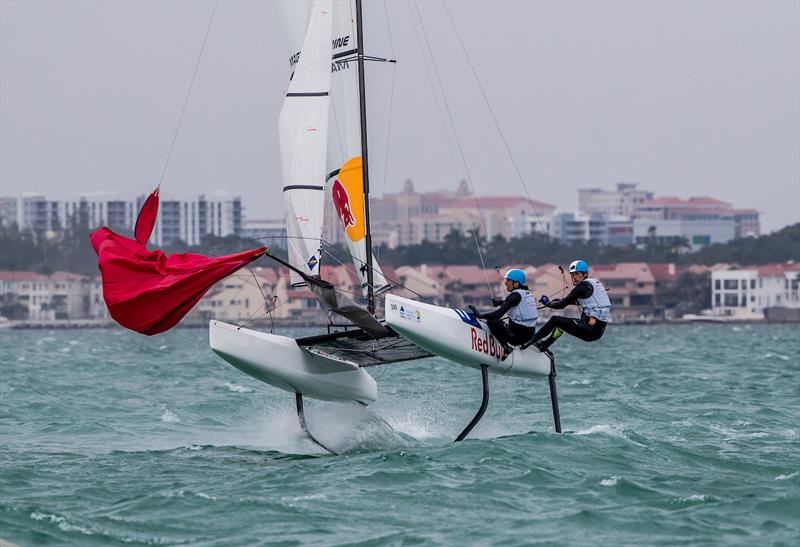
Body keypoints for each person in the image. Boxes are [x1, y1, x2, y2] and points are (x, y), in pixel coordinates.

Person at [525, 259, 611, 352]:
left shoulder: (581, 288)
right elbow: (581, 302)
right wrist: (561, 301)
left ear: (585, 274)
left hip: (591, 329)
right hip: (596, 329)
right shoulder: (594, 283)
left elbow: (561, 305)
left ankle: (530, 341)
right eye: (572, 275)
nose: (575, 277)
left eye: (577, 274)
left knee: (555, 320)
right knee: (562, 324)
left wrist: (548, 303)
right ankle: (544, 345)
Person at [468, 269, 538, 360]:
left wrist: (480, 316)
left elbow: (499, 314)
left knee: (493, 321)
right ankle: (513, 345)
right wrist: (499, 303)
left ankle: (506, 347)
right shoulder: (527, 293)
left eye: (508, 281)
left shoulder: (514, 295)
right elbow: (514, 302)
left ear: (516, 284)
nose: (505, 283)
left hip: (516, 338)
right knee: (506, 321)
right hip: (529, 336)